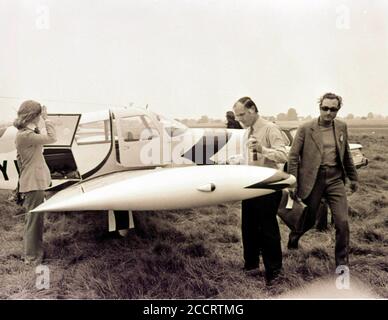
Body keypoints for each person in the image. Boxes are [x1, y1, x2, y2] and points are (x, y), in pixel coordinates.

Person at [287, 92, 358, 268]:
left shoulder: (341, 127)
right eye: (324, 108)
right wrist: (293, 181)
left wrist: (353, 178)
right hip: (313, 180)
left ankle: (342, 264)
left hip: (335, 180)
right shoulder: (305, 128)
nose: (328, 112)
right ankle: (294, 240)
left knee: (342, 222)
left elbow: (346, 153)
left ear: (338, 110)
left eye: (333, 109)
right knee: (308, 219)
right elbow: (293, 156)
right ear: (319, 107)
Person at [233, 97, 287, 284]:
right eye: (236, 116)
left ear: (253, 109)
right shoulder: (246, 131)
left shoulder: (270, 129)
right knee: (248, 227)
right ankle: (251, 266)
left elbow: (283, 155)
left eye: (242, 115)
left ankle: (274, 271)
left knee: (267, 229)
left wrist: (263, 149)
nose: (239, 119)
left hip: (267, 186)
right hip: (250, 185)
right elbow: (249, 158)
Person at [14, 100, 57, 265]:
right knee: (34, 220)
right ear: (34, 116)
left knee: (34, 219)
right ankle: (32, 258)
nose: (40, 117)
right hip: (33, 183)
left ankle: (32, 253)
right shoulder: (26, 135)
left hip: (32, 181)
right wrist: (47, 119)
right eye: (39, 115)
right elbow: (52, 138)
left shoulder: (26, 133)